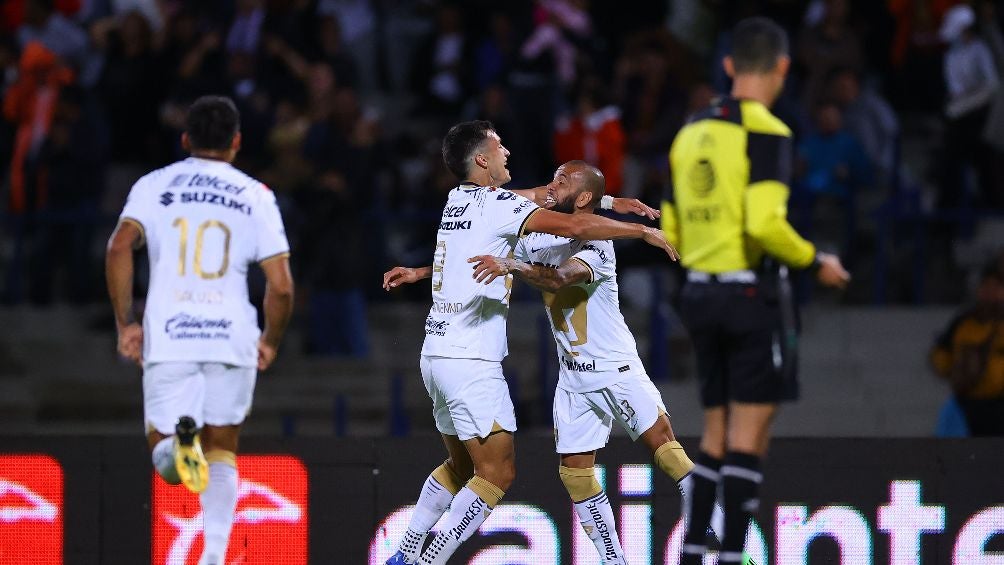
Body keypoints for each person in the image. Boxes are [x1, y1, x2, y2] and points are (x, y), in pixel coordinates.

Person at [380, 120, 678, 565]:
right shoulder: (500, 206)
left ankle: (405, 552)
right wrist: (641, 231)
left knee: (462, 467)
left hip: (436, 355)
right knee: (497, 474)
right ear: (482, 159)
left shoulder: (457, 200)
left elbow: (544, 197)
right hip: (471, 360)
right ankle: (429, 559)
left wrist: (610, 200)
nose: (509, 153)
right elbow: (572, 225)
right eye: (500, 147)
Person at [660, 18, 850, 565]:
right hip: (748, 297)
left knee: (715, 432)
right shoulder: (767, 131)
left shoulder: (689, 131)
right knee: (750, 431)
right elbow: (765, 224)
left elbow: (669, 232)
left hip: (697, 296)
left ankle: (695, 550)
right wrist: (818, 262)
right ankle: (732, 555)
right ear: (783, 67)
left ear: (727, 67)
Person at [464, 160, 707, 564]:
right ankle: (614, 559)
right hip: (573, 379)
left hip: (615, 370)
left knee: (665, 449)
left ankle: (717, 527)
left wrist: (512, 265)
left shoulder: (598, 246)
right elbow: (494, 201)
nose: (551, 183)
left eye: (564, 180)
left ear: (582, 198)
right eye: (554, 174)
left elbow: (558, 278)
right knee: (575, 474)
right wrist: (608, 199)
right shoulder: (539, 234)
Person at [105, 95, 294, 565]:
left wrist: (125, 322)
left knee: (166, 459)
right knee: (224, 446)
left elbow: (118, 247)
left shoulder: (153, 185)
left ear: (185, 139)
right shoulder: (256, 195)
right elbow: (282, 287)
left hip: (170, 332)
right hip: (232, 333)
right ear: (236, 142)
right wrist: (269, 340)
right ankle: (211, 557)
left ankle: (175, 444)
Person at [930, 253, 1004, 436]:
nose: (990, 292)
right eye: (986, 286)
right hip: (968, 403)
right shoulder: (964, 322)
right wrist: (959, 366)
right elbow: (941, 354)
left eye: (996, 287)